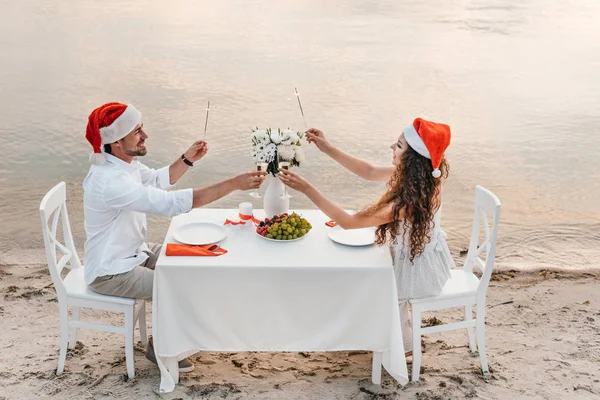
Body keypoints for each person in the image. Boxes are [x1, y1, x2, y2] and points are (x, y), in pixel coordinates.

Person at [83, 102, 266, 371]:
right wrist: (232, 185)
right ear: (117, 143)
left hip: (135, 252)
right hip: (111, 271)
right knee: (180, 286)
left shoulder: (124, 164)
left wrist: (188, 158)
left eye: (141, 127)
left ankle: (178, 334)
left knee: (195, 258)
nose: (145, 135)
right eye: (137, 131)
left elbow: (158, 180)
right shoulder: (110, 181)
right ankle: (161, 347)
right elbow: (169, 204)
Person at [279, 118, 455, 356]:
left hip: (419, 271)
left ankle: (405, 349)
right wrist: (327, 147)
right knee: (364, 272)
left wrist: (307, 189)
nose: (392, 147)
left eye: (399, 146)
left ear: (413, 160)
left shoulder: (410, 202)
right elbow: (368, 171)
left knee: (373, 284)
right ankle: (373, 331)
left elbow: (349, 223)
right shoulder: (422, 179)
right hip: (419, 255)